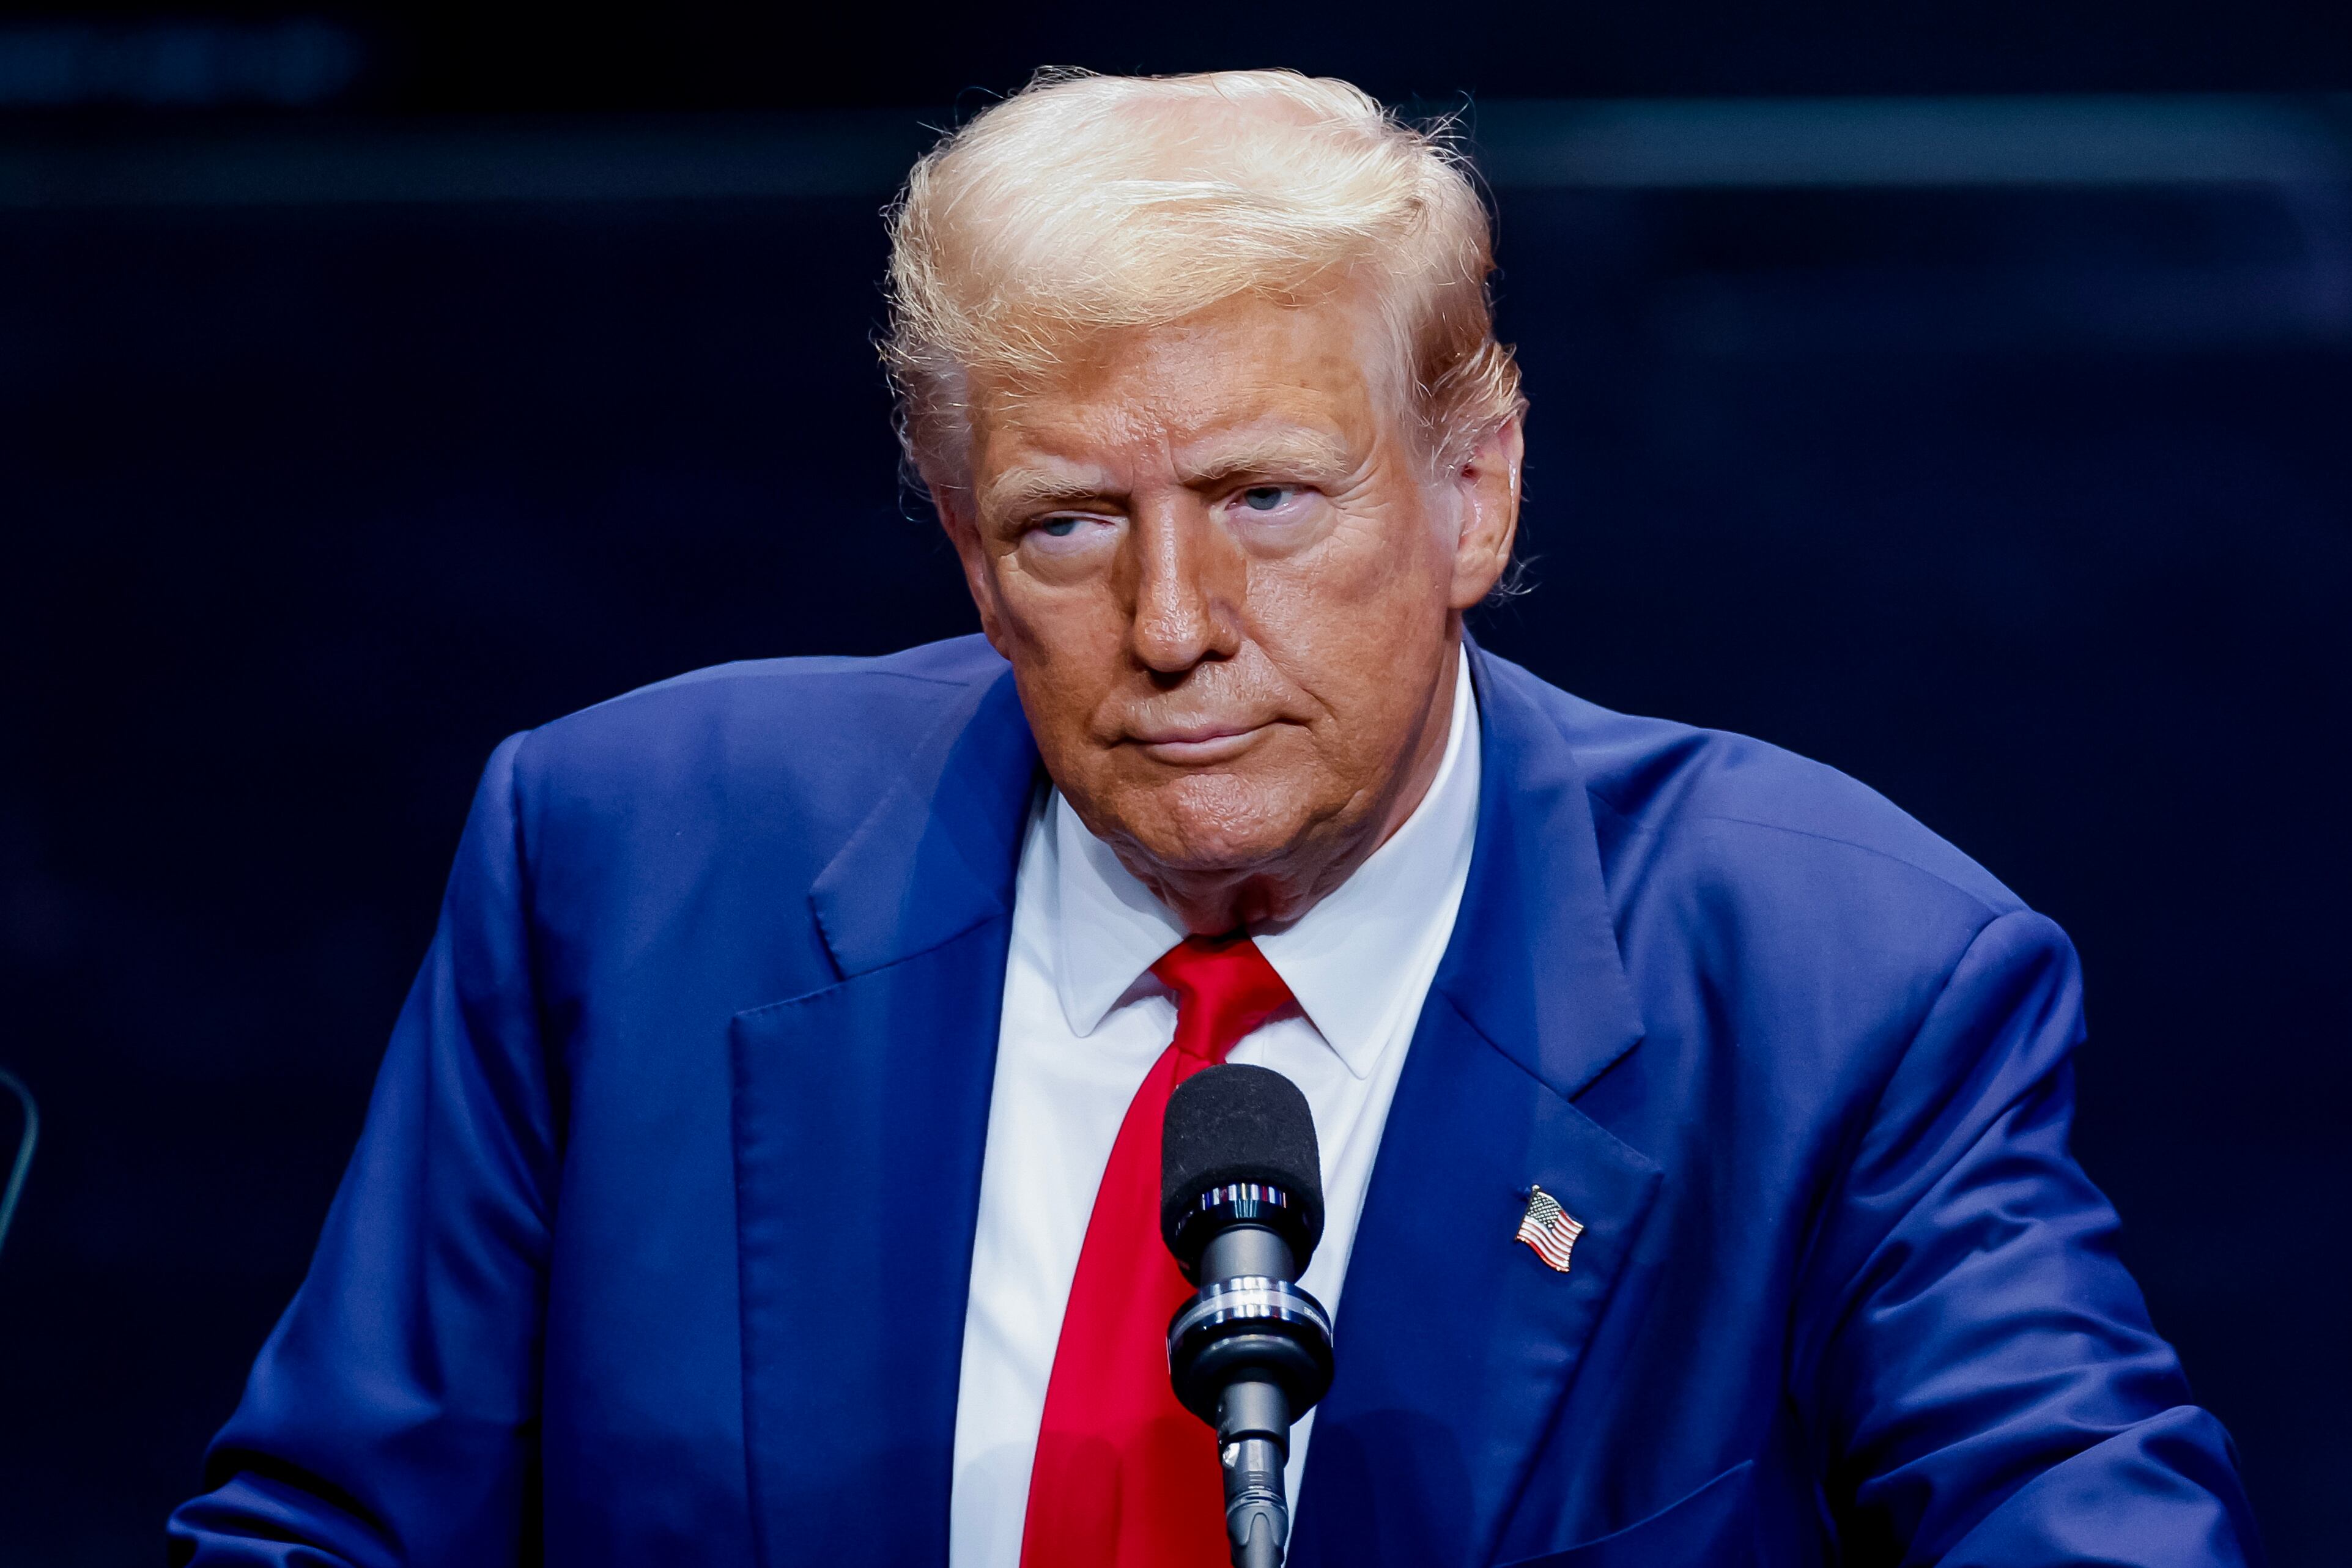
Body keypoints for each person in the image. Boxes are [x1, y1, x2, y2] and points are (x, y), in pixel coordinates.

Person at [169, 68, 2259, 1567]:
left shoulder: (1845, 982)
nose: (1175, 626)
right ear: (976, 564)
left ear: (1473, 491)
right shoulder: (627, 867)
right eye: (1071, 524)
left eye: (1266, 499)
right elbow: (325, 1530)